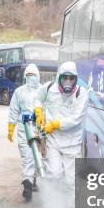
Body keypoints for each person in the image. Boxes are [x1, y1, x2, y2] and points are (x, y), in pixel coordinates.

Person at [34, 61, 88, 196]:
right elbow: (38, 99)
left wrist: (54, 125)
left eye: (71, 78)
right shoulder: (49, 88)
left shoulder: (81, 94)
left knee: (72, 181)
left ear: (76, 78)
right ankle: (53, 205)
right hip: (54, 141)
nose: (68, 81)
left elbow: (76, 118)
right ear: (59, 77)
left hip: (72, 144)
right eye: (65, 77)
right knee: (54, 173)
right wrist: (38, 112)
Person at [7, 64, 42, 202]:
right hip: (24, 127)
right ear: (25, 76)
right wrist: (11, 127)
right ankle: (28, 181)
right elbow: (14, 110)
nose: (31, 78)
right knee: (27, 155)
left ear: (38, 76)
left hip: (39, 127)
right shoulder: (19, 92)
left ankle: (30, 180)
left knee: (36, 155)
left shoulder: (43, 90)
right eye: (29, 75)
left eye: (33, 75)